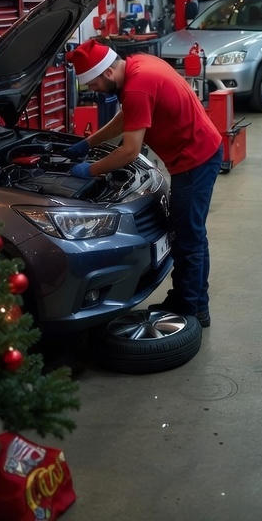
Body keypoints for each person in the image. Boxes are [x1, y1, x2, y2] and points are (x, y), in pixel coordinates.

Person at [64, 39, 224, 327]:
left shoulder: (137, 86)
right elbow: (128, 117)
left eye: (94, 85)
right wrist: (88, 143)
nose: (93, 92)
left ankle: (191, 309)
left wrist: (91, 171)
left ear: (107, 73)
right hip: (198, 153)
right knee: (190, 233)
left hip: (196, 160)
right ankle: (191, 301)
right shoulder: (137, 65)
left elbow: (129, 151)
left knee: (188, 238)